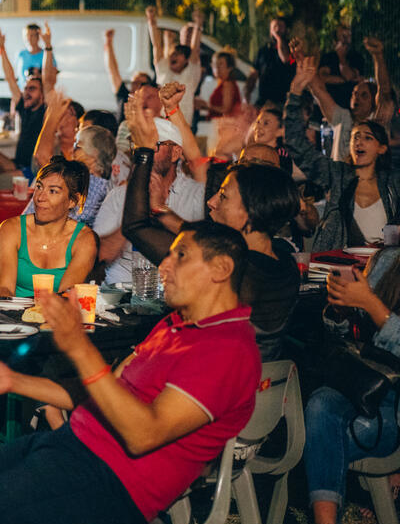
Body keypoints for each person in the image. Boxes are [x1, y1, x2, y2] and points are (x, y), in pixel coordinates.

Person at [0, 221, 260, 524]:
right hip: (69, 447)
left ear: (221, 269)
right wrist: (13, 381)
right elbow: (100, 395)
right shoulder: (176, 326)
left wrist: (80, 349)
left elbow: (143, 433)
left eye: (180, 256)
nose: (164, 266)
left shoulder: (227, 349)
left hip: (112, 484)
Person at [122, 92, 301, 360]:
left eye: (225, 195)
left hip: (208, 389)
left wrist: (144, 152)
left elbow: (135, 225)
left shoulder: (222, 267)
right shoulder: (286, 264)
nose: (213, 202)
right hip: (265, 390)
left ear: (251, 212)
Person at [303, 248, 400, 524]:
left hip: (392, 407)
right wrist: (340, 312)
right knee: (320, 403)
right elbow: (347, 336)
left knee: (313, 439)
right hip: (363, 386)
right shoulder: (387, 260)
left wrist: (373, 306)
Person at [286, 57, 400, 248]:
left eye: (367, 138)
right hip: (338, 267)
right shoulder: (337, 175)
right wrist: (295, 92)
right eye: (355, 137)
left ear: (382, 148)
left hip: (383, 271)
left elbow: (386, 94)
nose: (358, 142)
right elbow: (297, 144)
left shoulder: (393, 183)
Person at [94, 108, 205, 284]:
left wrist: (160, 208)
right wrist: (137, 210)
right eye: (138, 146)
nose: (142, 153)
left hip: (174, 292)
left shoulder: (197, 195)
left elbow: (206, 250)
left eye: (154, 145)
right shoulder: (119, 195)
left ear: (175, 153)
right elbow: (101, 255)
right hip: (121, 295)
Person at [0, 157, 96, 297]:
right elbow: (5, 291)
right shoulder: (12, 229)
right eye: (39, 187)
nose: (40, 197)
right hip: (12, 314)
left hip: (57, 315)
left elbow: (66, 297)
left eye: (53, 191)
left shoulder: (84, 240)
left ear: (73, 201)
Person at [305, 39, 394, 162]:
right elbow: (318, 90)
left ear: (374, 102)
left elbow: (384, 92)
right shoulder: (342, 118)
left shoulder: (377, 122)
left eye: (364, 95)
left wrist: (378, 56)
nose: (356, 98)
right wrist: (301, 61)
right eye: (354, 94)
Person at [0, 25, 56, 173]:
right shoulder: (25, 107)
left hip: (35, 170)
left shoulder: (45, 110)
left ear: (42, 94)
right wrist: (2, 48)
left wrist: (47, 46)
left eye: (32, 89)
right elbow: (10, 79)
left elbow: (47, 79)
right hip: (19, 164)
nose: (27, 92)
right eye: (26, 89)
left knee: (3, 178)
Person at [146, 6, 204, 123]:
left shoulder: (191, 73)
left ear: (187, 60)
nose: (173, 56)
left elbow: (195, 50)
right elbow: (157, 46)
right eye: (173, 54)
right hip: (162, 124)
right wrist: (151, 20)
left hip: (184, 127)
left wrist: (198, 25)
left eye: (178, 54)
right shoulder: (163, 70)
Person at [103, 27, 155, 122]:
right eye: (134, 82)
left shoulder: (150, 104)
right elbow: (113, 71)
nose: (137, 85)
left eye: (141, 83)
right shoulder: (124, 96)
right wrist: (109, 43)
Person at [245, 17, 295, 106]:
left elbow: (286, 59)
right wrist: (246, 95)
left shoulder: (293, 50)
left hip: (284, 101)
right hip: (264, 100)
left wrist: (279, 38)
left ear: (287, 30)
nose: (277, 29)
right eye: (274, 27)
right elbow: (253, 74)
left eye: (280, 26)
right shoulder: (263, 51)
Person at [202, 51, 243, 119]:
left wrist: (205, 106)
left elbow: (226, 109)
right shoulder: (222, 83)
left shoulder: (228, 84)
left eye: (220, 64)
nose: (217, 67)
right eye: (215, 64)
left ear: (229, 68)